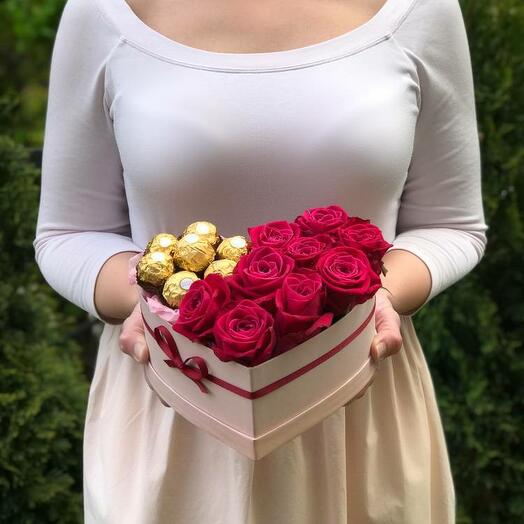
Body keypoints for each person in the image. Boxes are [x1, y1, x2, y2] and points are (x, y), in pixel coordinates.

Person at [32, 0, 488, 522]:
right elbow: (69, 232)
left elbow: (452, 223)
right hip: (175, 412)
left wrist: (384, 293)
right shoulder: (102, 13)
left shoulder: (421, 11)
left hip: (357, 406)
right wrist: (144, 303)